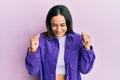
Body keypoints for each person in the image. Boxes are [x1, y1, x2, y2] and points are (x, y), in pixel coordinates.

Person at [25, 5, 95, 80]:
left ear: (68, 24)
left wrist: (87, 49)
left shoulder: (78, 40)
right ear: (49, 24)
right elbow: (32, 71)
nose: (58, 29)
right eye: (54, 25)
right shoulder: (41, 40)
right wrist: (33, 51)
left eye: (62, 25)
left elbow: (85, 70)